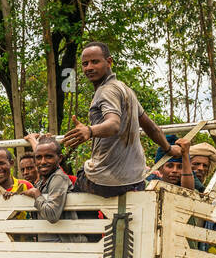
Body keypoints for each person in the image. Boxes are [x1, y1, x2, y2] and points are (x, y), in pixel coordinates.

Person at [62, 41, 180, 195]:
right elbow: (151, 127)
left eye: (95, 62)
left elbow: (113, 124)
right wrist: (169, 148)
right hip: (135, 181)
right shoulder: (125, 90)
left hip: (105, 182)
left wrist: (89, 131)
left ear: (109, 62)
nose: (89, 67)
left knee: (71, 192)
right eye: (85, 64)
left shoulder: (106, 91)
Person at [20, 138, 85, 243]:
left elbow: (52, 214)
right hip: (48, 247)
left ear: (59, 158)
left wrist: (36, 194)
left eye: (48, 157)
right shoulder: (42, 182)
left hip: (64, 245)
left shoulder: (59, 178)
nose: (43, 162)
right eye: (38, 157)